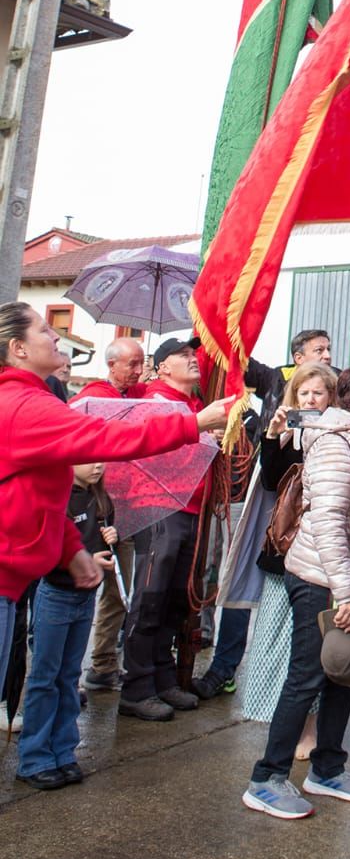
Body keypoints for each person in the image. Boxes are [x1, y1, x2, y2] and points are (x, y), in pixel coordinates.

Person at [0, 303, 227, 695]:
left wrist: (71, 548)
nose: (56, 334)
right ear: (18, 348)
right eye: (43, 329)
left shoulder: (32, 398)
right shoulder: (23, 404)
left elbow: (42, 492)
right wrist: (195, 423)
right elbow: (110, 437)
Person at [243, 365, 350, 818]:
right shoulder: (336, 443)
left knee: (344, 673)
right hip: (322, 580)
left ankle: (327, 768)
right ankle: (267, 777)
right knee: (307, 676)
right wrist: (346, 592)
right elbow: (329, 522)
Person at [194, 328, 334, 701]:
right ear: (298, 357)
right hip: (274, 509)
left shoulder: (338, 407)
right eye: (319, 349)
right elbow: (235, 360)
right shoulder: (274, 381)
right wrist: (225, 324)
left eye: (329, 349)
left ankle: (304, 690)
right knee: (244, 585)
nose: (327, 354)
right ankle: (225, 668)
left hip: (318, 518)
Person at [118, 336, 223, 721]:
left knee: (173, 599)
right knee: (150, 598)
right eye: (183, 356)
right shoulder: (154, 403)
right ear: (163, 367)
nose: (193, 360)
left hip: (189, 508)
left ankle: (162, 679)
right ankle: (136, 687)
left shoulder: (192, 405)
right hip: (159, 508)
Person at [238, 362, 338, 743]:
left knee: (311, 642)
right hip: (284, 545)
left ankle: (310, 727)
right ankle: (279, 720)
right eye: (304, 394)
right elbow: (269, 480)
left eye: (318, 393)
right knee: (274, 637)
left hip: (318, 549)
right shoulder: (285, 433)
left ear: (331, 398)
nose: (310, 400)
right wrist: (273, 435)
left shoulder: (337, 433)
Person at [16, 461, 118, 789]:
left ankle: (63, 751)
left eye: (101, 458)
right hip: (56, 595)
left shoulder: (101, 501)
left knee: (68, 678)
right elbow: (49, 547)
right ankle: (34, 757)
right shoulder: (56, 499)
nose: (98, 465)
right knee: (45, 678)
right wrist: (86, 555)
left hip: (85, 598)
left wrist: (109, 542)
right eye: (88, 459)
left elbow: (102, 550)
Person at [73, 339, 146, 691]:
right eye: (132, 364)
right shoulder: (92, 398)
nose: (138, 370)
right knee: (83, 588)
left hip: (124, 505)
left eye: (142, 363)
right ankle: (76, 673)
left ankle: (102, 664)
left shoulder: (137, 396)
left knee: (119, 589)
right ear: (112, 364)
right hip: (95, 505)